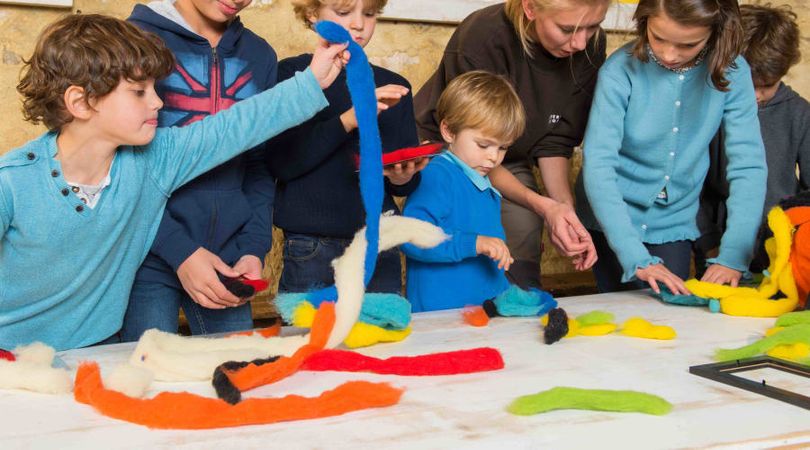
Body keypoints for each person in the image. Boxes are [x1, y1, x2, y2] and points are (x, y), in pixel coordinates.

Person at [0, 13, 345, 351]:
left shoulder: (155, 161)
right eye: (139, 92)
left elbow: (235, 127)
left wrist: (311, 80)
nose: (157, 102)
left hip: (99, 353)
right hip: (10, 355)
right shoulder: (12, 183)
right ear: (81, 102)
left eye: (154, 88)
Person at [577, 0, 767, 295]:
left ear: (717, 32)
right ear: (644, 21)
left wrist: (734, 255)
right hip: (612, 216)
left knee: (670, 314)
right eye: (658, 38)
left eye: (687, 45)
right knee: (622, 318)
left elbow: (748, 165)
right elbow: (599, 165)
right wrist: (634, 255)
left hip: (675, 219)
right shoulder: (619, 71)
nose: (668, 55)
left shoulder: (734, 72)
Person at [414, 0, 607, 288]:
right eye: (567, 29)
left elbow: (556, 141)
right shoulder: (484, 36)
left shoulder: (589, 45)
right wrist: (544, 206)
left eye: (593, 27)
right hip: (454, 151)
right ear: (530, 8)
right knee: (473, 220)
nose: (580, 43)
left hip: (508, 154)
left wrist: (562, 211)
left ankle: (520, 305)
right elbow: (474, 145)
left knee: (525, 224)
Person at [120, 0, 277, 341]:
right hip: (147, 256)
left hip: (230, 260)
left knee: (236, 374)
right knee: (148, 378)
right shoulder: (132, 40)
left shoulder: (260, 55)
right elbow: (121, 166)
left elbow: (258, 162)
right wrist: (179, 251)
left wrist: (253, 246)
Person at [267, 0, 424, 295]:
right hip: (312, 245)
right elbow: (283, 163)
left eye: (369, 14)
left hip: (378, 243)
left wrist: (403, 177)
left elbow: (404, 182)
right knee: (312, 338)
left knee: (382, 336)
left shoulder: (395, 84)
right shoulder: (293, 76)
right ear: (313, 15)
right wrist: (350, 119)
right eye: (343, 13)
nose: (359, 24)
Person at [694, 3, 810, 277]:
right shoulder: (710, 109)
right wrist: (707, 242)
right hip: (717, 249)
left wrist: (797, 246)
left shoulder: (800, 113)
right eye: (746, 84)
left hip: (784, 251)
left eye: (766, 85)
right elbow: (692, 183)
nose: (754, 95)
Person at [402, 70, 525, 311]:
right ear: (448, 131)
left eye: (503, 148)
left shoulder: (481, 180)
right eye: (483, 144)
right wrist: (473, 243)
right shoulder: (436, 175)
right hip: (441, 316)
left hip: (480, 312)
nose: (493, 157)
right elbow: (410, 237)